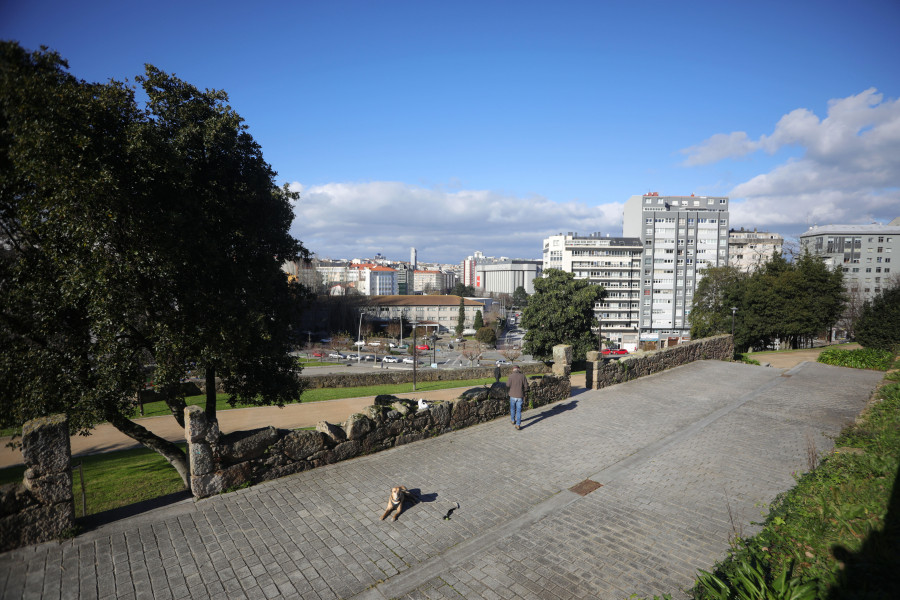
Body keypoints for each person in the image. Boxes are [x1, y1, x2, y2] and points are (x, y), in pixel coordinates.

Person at [506, 365, 528, 430]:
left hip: (512, 395)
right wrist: (524, 392)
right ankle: (518, 424)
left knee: (512, 409)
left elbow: (507, 385)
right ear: (519, 369)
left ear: (513, 369)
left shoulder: (511, 376)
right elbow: (526, 386)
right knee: (518, 410)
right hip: (520, 395)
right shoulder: (522, 376)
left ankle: (513, 420)